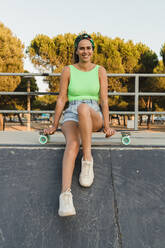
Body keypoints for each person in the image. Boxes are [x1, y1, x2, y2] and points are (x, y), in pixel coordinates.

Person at [44, 33, 115, 217]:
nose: (85, 51)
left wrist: (107, 125)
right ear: (76, 50)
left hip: (93, 113)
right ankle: (65, 196)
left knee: (84, 108)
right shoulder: (68, 70)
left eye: (88, 48)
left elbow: (104, 101)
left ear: (92, 50)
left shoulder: (100, 70)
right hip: (71, 113)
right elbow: (61, 99)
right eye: (82, 48)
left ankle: (87, 160)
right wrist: (54, 124)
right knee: (73, 144)